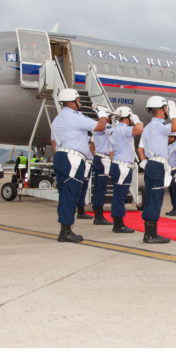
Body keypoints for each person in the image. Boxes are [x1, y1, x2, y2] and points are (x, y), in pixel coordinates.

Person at [51, 89, 109, 243]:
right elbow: (100, 127)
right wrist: (102, 114)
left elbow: (53, 141)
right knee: (71, 194)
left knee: (64, 194)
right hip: (73, 159)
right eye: (78, 100)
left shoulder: (58, 119)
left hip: (61, 156)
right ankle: (66, 231)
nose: (80, 103)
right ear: (73, 101)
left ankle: (64, 228)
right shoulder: (75, 117)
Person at [137, 96, 176, 244]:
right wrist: (174, 113)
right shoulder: (159, 125)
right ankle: (151, 235)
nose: (167, 111)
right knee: (155, 199)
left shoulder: (148, 127)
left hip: (151, 164)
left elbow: (140, 147)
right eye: (166, 108)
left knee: (151, 198)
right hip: (157, 165)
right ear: (161, 109)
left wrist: (143, 161)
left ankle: (149, 232)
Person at [109, 106, 143, 233]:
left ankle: (118, 222)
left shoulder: (116, 131)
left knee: (119, 195)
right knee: (120, 196)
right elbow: (139, 129)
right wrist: (137, 119)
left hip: (119, 164)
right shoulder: (123, 129)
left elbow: (111, 152)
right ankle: (118, 225)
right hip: (122, 166)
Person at [90, 114, 114, 225]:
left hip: (98, 157)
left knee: (98, 188)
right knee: (101, 188)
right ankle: (98, 217)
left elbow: (91, 144)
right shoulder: (107, 127)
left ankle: (97, 214)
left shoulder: (96, 128)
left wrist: (94, 155)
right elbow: (115, 134)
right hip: (103, 159)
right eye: (111, 117)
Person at [76, 138, 93, 220]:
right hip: (85, 162)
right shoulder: (86, 138)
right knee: (82, 188)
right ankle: (80, 211)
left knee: (83, 188)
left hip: (87, 162)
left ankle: (80, 209)